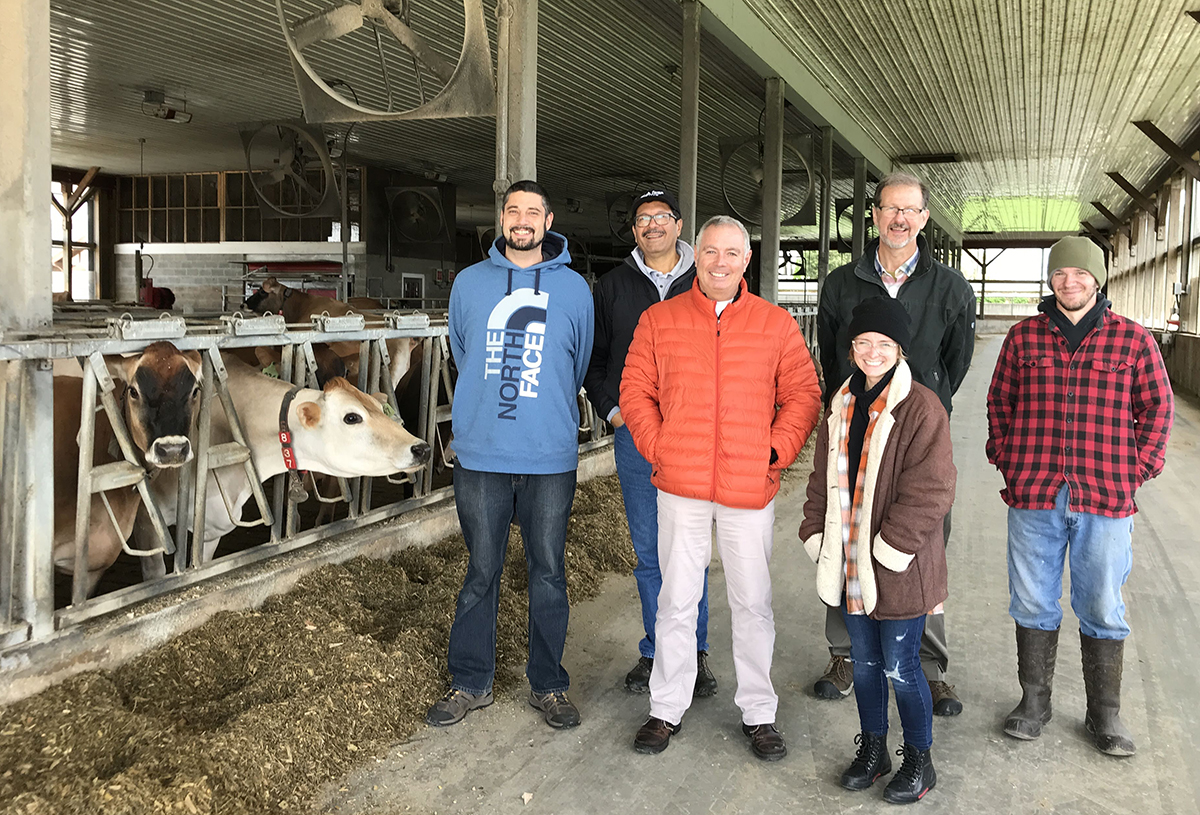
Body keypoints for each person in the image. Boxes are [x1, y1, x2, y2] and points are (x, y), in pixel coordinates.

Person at [620, 215, 822, 759]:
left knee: (752, 602)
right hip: (680, 485)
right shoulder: (659, 320)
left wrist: (774, 452)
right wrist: (659, 447)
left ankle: (759, 712)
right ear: (697, 255)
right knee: (676, 600)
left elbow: (803, 394)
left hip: (747, 487)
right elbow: (635, 390)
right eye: (711, 251)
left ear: (746, 260)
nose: (720, 263)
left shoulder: (775, 324)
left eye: (732, 253)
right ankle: (666, 707)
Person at [986, 236, 1173, 756]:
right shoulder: (1024, 339)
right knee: (1032, 599)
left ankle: (1105, 714)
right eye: (1061, 273)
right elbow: (999, 402)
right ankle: (1034, 701)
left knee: (1102, 603)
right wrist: (1008, 458)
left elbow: (1158, 409)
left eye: (1081, 274)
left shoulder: (1133, 342)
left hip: (1105, 498)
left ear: (1098, 279)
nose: (1070, 282)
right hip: (1035, 493)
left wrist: (1138, 468)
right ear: (1051, 280)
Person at [426, 180, 594, 730]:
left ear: (548, 222)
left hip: (549, 455)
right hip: (481, 453)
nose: (522, 220)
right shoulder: (469, 284)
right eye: (512, 210)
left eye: (532, 212)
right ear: (502, 219)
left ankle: (548, 685)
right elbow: (463, 350)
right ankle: (470, 681)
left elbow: (577, 361)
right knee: (480, 569)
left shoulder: (573, 289)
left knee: (548, 571)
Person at [813, 171, 975, 716]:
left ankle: (928, 666)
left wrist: (924, 404)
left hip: (919, 440)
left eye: (910, 210)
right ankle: (844, 653)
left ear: (925, 218)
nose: (900, 219)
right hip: (855, 431)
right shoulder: (840, 283)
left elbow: (954, 364)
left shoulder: (951, 287)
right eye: (889, 209)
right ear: (875, 216)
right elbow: (831, 358)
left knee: (919, 542)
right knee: (845, 532)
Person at [800, 297, 954, 804]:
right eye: (863, 343)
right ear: (851, 348)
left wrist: (892, 547)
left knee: (899, 666)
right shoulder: (841, 404)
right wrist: (813, 530)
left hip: (898, 564)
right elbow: (821, 477)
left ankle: (919, 759)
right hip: (848, 558)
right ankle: (874, 750)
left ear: (900, 350)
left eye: (883, 344)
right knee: (864, 663)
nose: (872, 352)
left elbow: (933, 488)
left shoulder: (921, 407)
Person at [584, 188, 716, 697]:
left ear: (680, 225)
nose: (652, 226)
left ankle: (695, 653)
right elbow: (594, 361)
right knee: (648, 552)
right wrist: (613, 411)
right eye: (643, 219)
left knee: (690, 550)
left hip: (694, 437)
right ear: (634, 230)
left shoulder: (705, 281)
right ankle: (658, 649)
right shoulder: (613, 286)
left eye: (662, 217)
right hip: (636, 437)